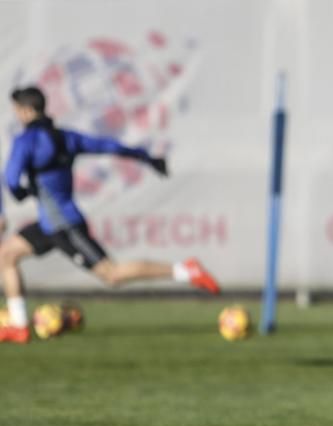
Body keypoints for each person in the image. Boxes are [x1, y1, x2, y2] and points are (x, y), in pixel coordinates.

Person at [0, 85, 219, 344]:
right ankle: (19, 326)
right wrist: (148, 158)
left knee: (112, 275)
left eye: (17, 111)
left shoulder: (26, 141)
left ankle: (185, 270)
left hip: (63, 226)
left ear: (25, 111)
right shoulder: (66, 138)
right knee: (6, 255)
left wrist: (21, 193)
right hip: (51, 223)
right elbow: (109, 145)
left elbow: (11, 179)